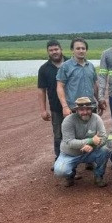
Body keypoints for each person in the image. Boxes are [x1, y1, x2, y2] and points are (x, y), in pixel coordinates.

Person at [53, 97, 110, 187]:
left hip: (90, 152)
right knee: (60, 171)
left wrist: (92, 145)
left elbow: (104, 137)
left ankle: (99, 175)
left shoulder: (96, 118)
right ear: (76, 110)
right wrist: (90, 141)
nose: (85, 112)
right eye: (81, 110)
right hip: (70, 153)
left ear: (91, 109)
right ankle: (70, 175)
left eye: (88, 109)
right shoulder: (68, 121)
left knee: (105, 150)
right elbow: (70, 142)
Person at [37, 40, 68, 168]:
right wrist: (43, 110)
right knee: (58, 135)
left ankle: (86, 159)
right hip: (56, 108)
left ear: (61, 49)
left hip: (74, 106)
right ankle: (59, 159)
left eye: (56, 49)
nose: (54, 52)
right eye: (51, 50)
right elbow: (41, 90)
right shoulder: (44, 69)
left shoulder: (71, 63)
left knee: (79, 133)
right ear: (48, 52)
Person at [56, 37, 101, 118]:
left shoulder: (90, 66)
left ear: (86, 50)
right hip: (74, 108)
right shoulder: (65, 66)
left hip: (91, 107)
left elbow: (94, 85)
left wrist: (99, 101)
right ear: (72, 50)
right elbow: (60, 86)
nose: (81, 51)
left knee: (92, 130)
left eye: (83, 48)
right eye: (78, 48)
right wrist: (65, 107)